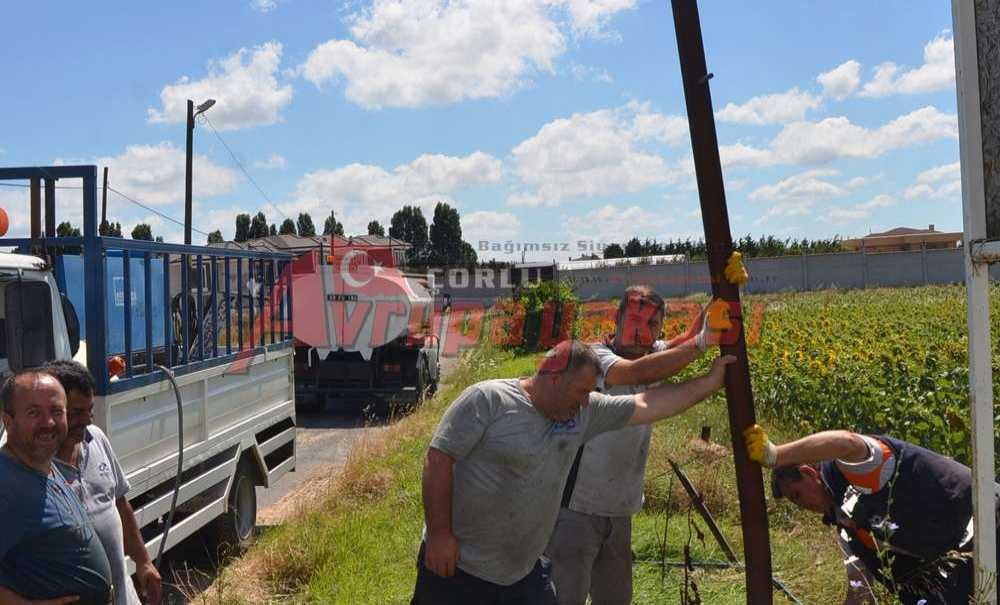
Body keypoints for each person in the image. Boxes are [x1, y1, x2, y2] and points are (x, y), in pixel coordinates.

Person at [411, 340, 735, 604]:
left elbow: (649, 404)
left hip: (522, 575)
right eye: (581, 392)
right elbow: (439, 460)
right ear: (554, 379)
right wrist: (439, 535)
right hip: (459, 569)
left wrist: (710, 381)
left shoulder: (584, 414)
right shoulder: (488, 400)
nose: (586, 402)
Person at [545, 286, 715, 605]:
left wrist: (719, 297)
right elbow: (636, 372)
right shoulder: (596, 357)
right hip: (575, 510)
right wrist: (702, 343)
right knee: (564, 598)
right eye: (635, 320)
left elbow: (683, 340)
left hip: (620, 509)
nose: (642, 332)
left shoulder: (653, 352)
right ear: (617, 319)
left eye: (652, 324)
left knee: (616, 598)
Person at [745, 424, 1000, 605]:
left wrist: (776, 455)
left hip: (986, 519)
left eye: (797, 496)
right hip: (962, 562)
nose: (802, 507)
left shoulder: (857, 469)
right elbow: (860, 591)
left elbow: (846, 442)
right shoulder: (847, 527)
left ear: (810, 474)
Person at [44, 360, 162, 605]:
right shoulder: (35, 467)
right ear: (53, 409)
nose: (87, 420)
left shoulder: (96, 439)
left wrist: (143, 562)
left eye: (90, 410)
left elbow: (120, 504)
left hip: (123, 596)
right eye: (77, 412)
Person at [0, 370, 113, 605]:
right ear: (8, 421)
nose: (48, 423)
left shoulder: (46, 466)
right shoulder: (6, 484)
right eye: (34, 413)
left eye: (56, 411)